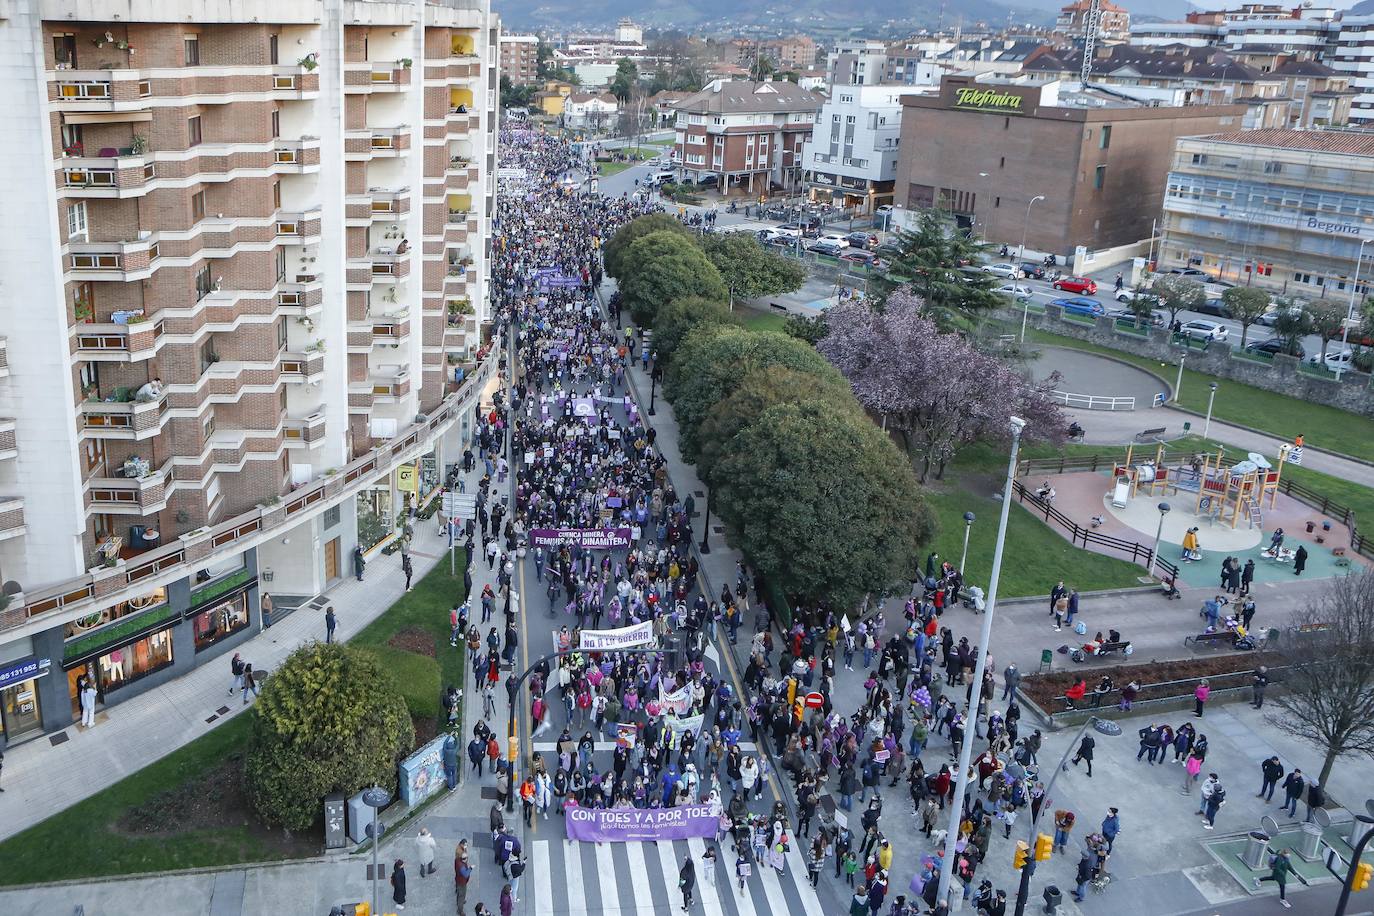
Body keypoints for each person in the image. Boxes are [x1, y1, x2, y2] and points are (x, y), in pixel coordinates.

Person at [455, 841, 473, 915]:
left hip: (458, 880)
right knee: (461, 896)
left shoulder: (457, 860)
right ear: (464, 859)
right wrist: (470, 868)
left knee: (459, 894)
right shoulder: (462, 866)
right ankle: (460, 910)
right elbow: (465, 874)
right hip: (462, 882)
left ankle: (460, 902)